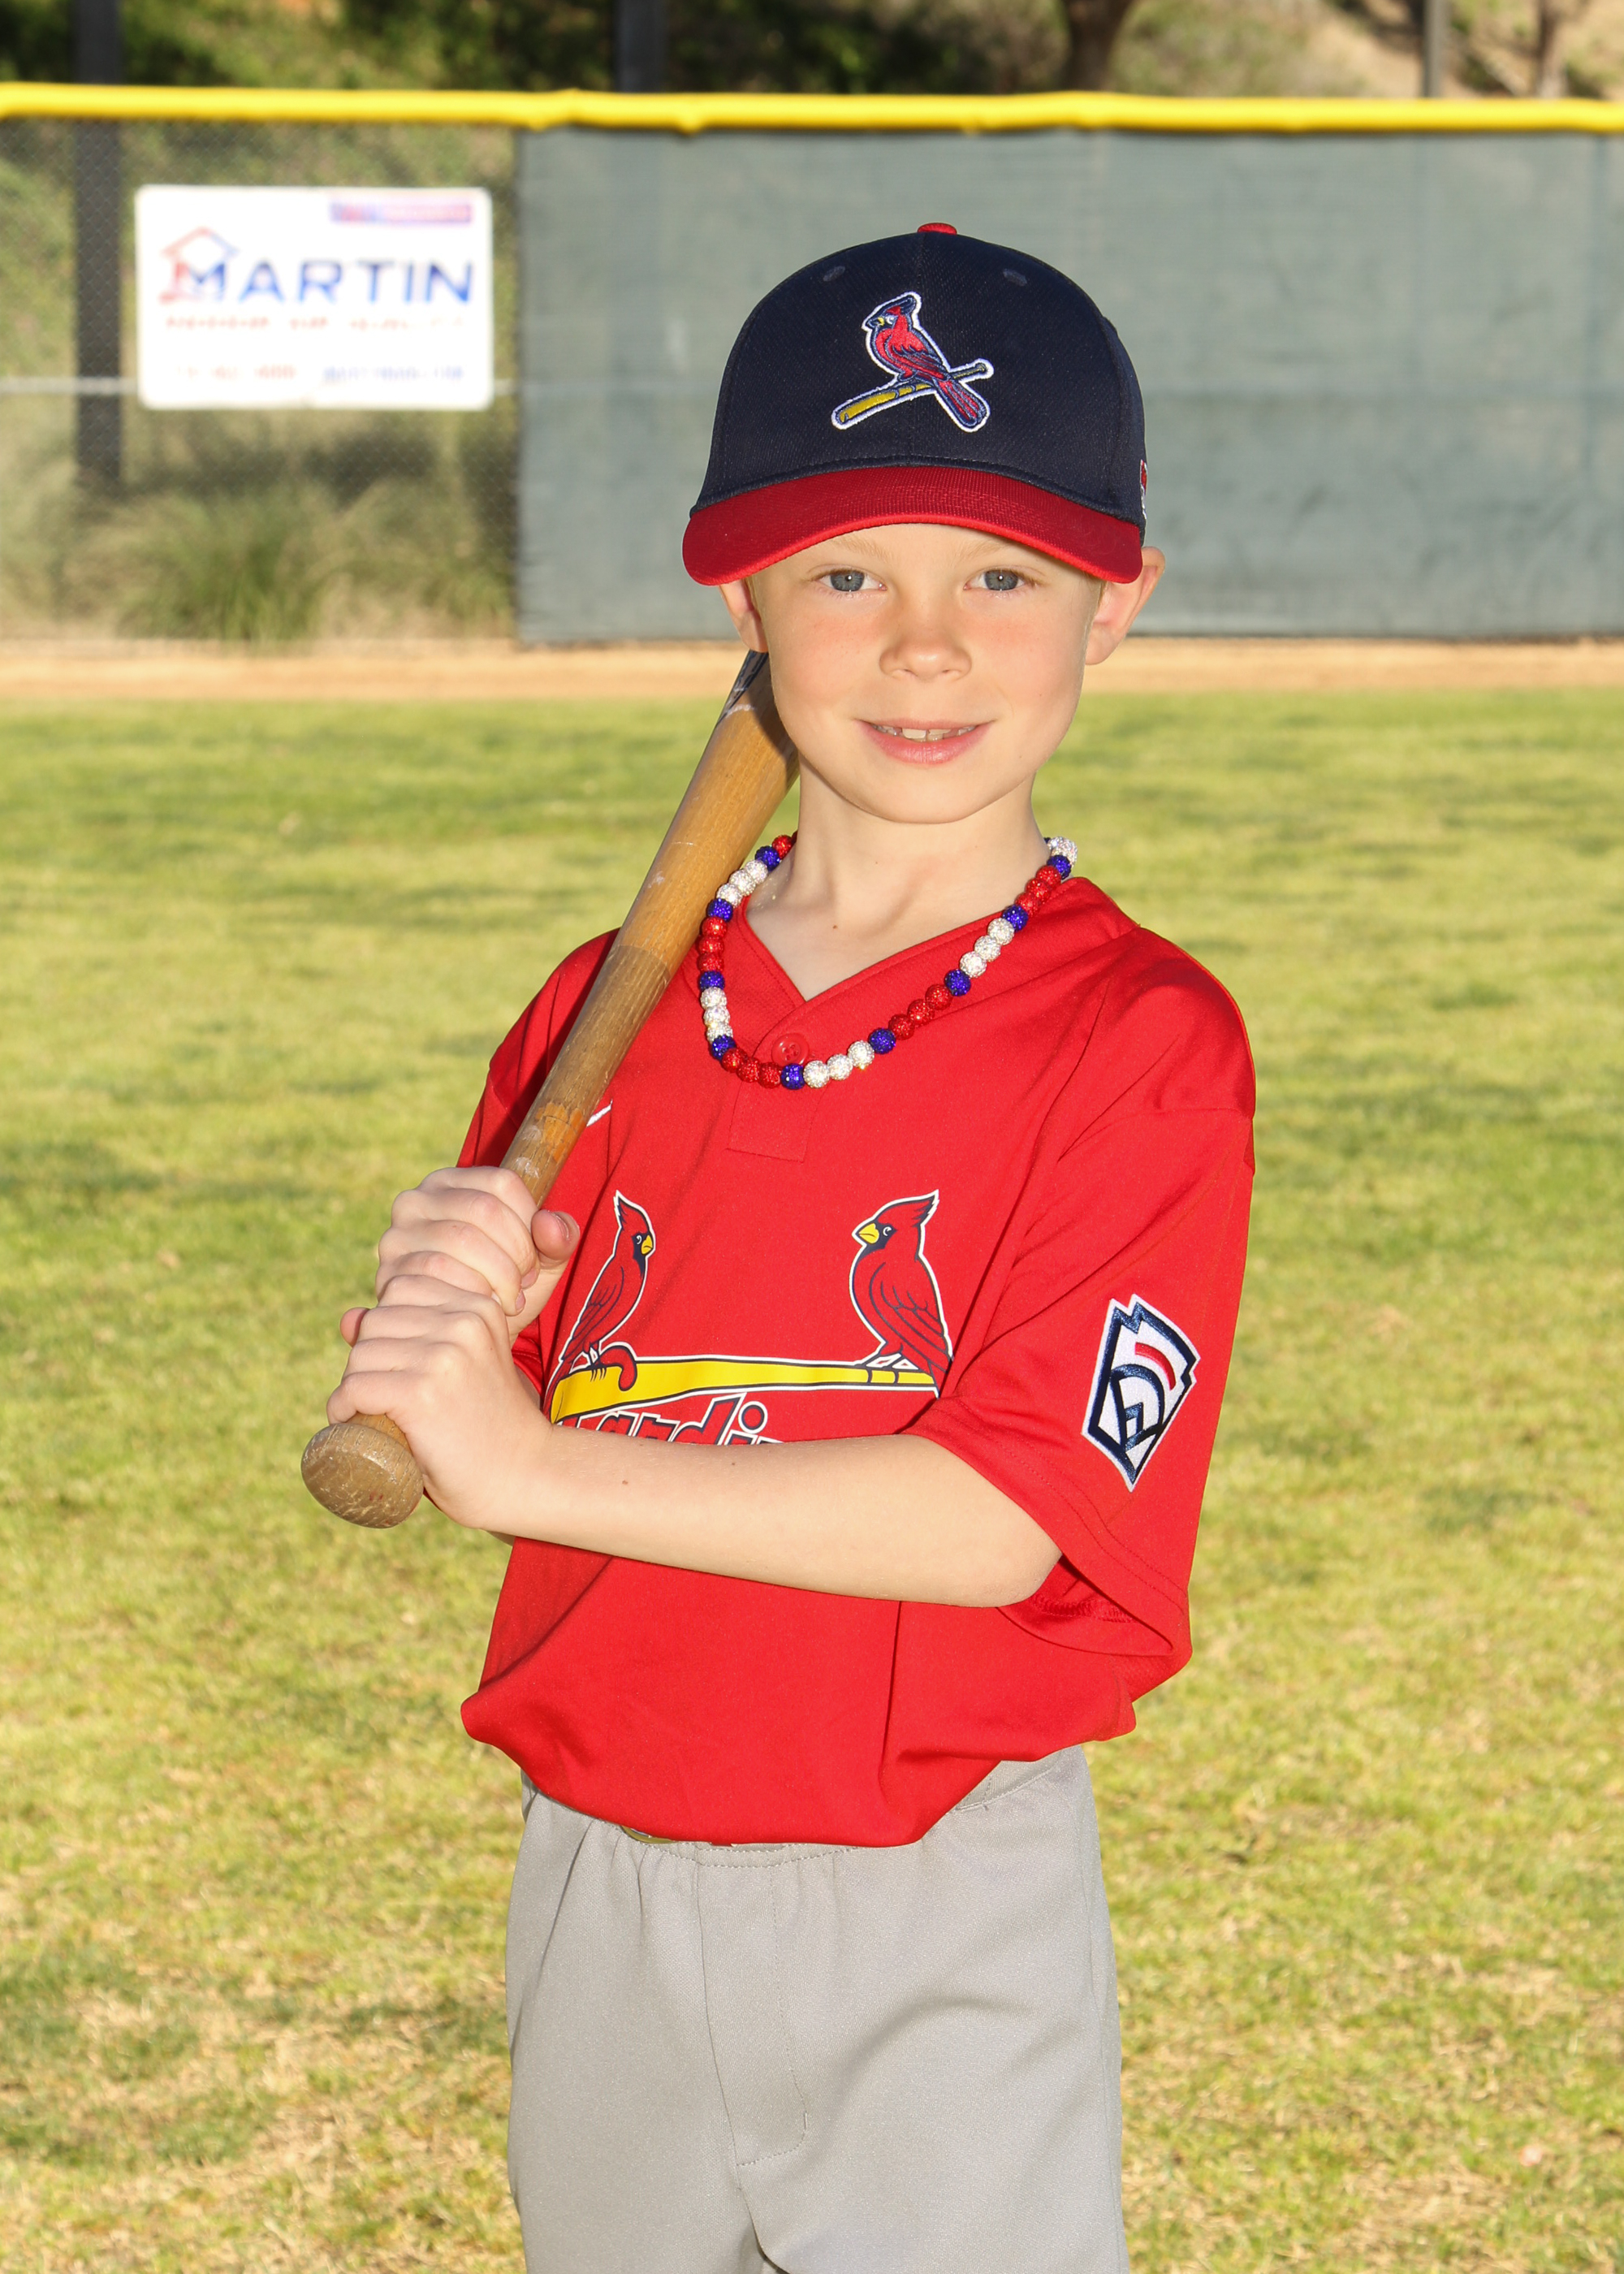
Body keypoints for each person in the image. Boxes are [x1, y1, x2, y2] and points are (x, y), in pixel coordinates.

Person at [326, 224, 1255, 2273]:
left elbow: (1002, 1516)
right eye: (846, 574)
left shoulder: (1139, 1039)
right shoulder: (608, 1008)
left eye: (1001, 576)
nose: (923, 646)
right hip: (601, 1872)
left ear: (1115, 605)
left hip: (935, 1886)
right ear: (737, 595)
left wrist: (527, 1461)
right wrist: (444, 1325)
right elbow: (467, 1417)